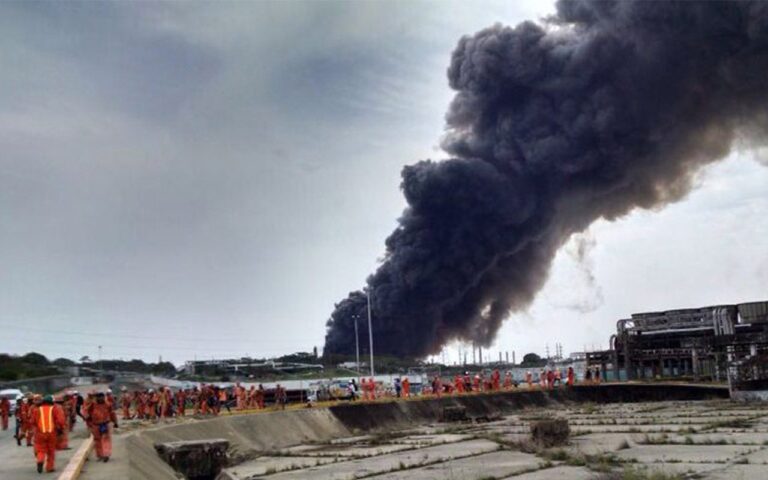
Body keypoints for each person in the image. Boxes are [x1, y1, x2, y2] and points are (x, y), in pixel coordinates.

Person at [32, 395, 66, 473]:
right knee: (51, 451)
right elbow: (61, 421)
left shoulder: (36, 410)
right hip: (52, 433)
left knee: (41, 449)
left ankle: (40, 460)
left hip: (40, 433)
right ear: (51, 402)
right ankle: (49, 468)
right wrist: (60, 429)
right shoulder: (55, 409)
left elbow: (32, 422)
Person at [84, 392, 118, 462]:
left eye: (102, 397)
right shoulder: (92, 405)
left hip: (105, 424)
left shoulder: (108, 404)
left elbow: (112, 413)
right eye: (98, 397)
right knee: (97, 440)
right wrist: (89, 423)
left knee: (106, 439)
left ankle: (106, 454)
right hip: (95, 425)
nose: (100, 399)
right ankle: (100, 455)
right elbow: (87, 413)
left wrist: (115, 422)